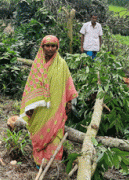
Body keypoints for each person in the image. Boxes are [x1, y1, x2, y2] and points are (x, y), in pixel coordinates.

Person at [20, 35, 78, 166]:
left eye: (53, 46)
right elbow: (31, 86)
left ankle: (53, 165)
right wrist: (29, 106)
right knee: (39, 134)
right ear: (42, 47)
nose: (50, 49)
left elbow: (68, 83)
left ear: (57, 48)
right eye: (48, 46)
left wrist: (69, 102)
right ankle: (39, 163)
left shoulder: (62, 64)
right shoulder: (37, 65)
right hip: (40, 109)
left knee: (55, 135)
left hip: (56, 108)